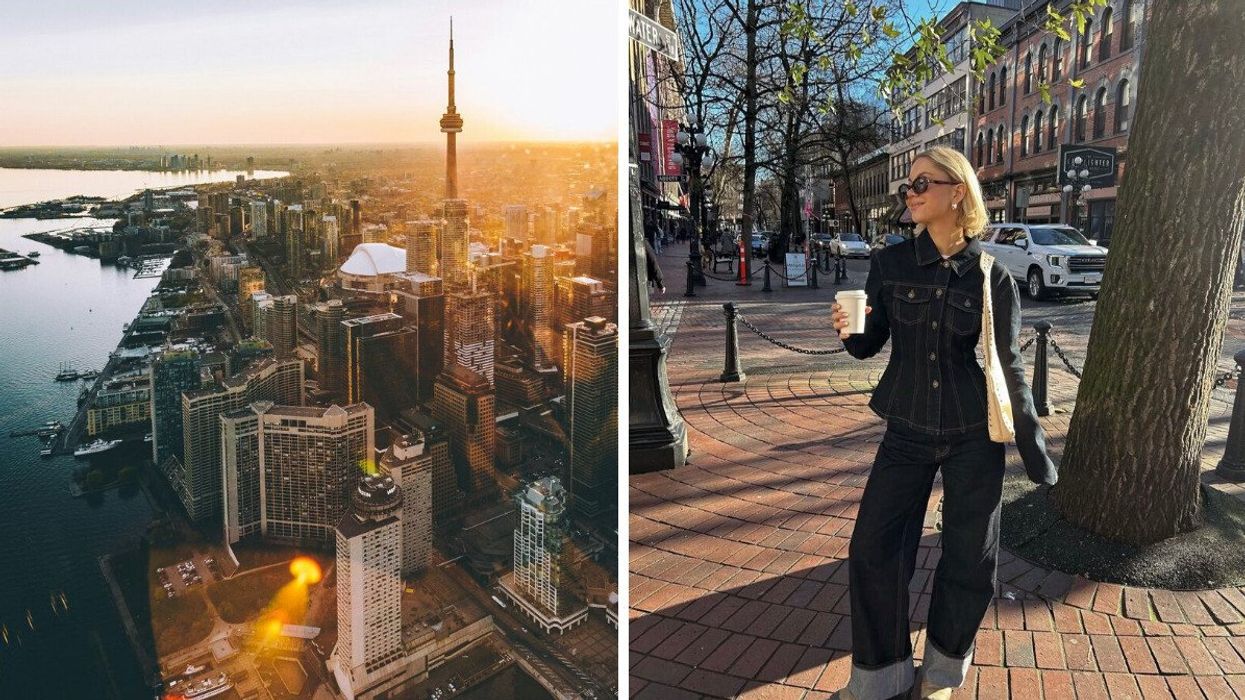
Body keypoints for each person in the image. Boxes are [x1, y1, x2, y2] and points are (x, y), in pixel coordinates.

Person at [828, 146, 1056, 700]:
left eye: (922, 183)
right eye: (907, 187)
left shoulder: (991, 275)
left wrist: (1035, 450)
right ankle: (881, 678)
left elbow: (1008, 366)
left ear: (958, 191)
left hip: (971, 434)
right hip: (905, 429)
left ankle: (942, 673)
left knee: (970, 556)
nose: (910, 193)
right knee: (873, 548)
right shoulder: (891, 263)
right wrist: (848, 331)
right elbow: (869, 344)